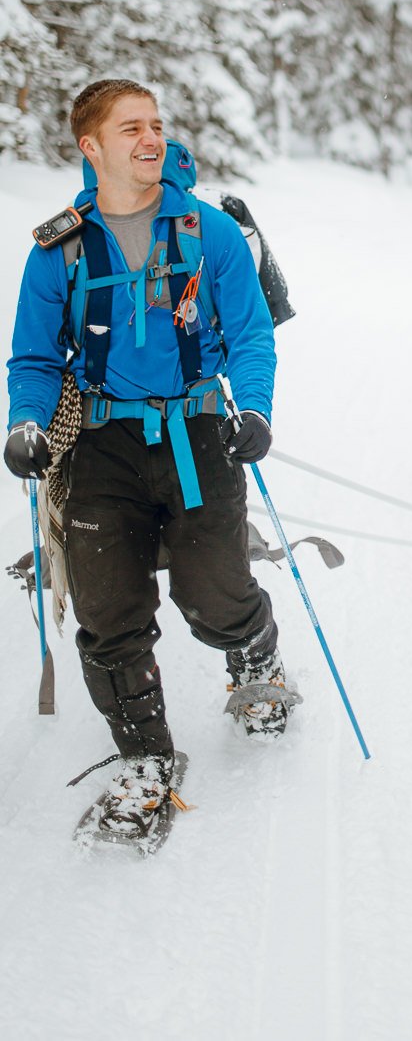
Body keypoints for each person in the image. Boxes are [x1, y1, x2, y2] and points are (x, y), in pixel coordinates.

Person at [5, 79, 297, 838]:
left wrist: (254, 409)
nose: (151, 139)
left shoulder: (209, 232)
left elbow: (251, 334)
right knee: (108, 613)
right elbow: (34, 358)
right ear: (91, 146)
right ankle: (145, 756)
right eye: (131, 127)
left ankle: (255, 657)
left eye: (157, 125)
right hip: (102, 444)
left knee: (214, 595)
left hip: (198, 434)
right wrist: (26, 423)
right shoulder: (60, 246)